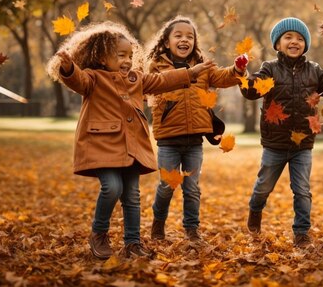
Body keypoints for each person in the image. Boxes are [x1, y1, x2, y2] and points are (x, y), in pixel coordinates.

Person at [46, 21, 206, 259]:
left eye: (130, 56)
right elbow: (77, 80)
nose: (127, 61)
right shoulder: (93, 78)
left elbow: (161, 81)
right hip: (103, 146)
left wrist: (189, 73)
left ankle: (132, 243)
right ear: (101, 57)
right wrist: (68, 67)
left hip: (133, 147)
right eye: (121, 55)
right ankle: (99, 233)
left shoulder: (136, 79)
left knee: (132, 196)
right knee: (112, 188)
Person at [240, 17, 323, 248]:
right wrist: (242, 75)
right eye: (288, 37)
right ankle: (255, 211)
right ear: (278, 44)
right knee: (263, 187)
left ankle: (301, 233)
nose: (294, 41)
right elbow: (252, 92)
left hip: (303, 145)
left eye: (300, 39)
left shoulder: (314, 71)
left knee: (302, 190)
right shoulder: (269, 69)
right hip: (274, 143)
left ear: (305, 45)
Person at [145, 16, 248, 244]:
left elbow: (222, 77)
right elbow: (153, 83)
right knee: (166, 186)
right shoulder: (157, 65)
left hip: (194, 141)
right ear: (166, 41)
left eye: (189, 36)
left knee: (192, 189)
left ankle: (192, 230)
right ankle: (158, 223)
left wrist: (237, 69)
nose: (184, 40)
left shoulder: (202, 65)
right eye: (178, 35)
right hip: (169, 139)